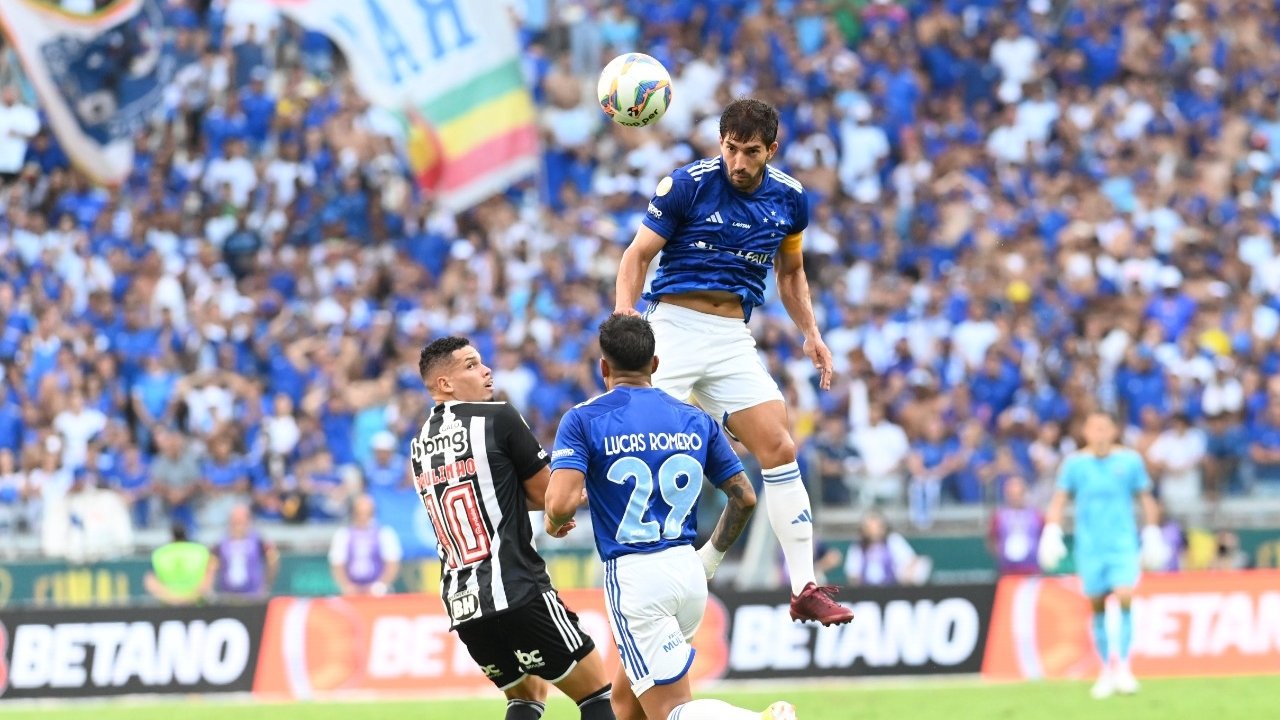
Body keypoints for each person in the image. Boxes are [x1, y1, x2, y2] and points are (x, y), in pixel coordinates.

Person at [614, 97, 852, 626]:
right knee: (639, 443)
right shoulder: (688, 185)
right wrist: (625, 318)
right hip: (672, 327)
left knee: (779, 444)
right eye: (730, 149)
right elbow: (636, 256)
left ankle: (804, 587)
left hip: (730, 336)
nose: (738, 162)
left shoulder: (790, 199)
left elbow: (790, 275)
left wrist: (810, 333)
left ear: (771, 149)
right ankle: (630, 570)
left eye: (749, 152)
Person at [545, 314, 796, 720]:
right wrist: (710, 557)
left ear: (603, 367)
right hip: (688, 572)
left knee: (670, 711)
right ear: (656, 364)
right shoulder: (695, 418)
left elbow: (559, 504)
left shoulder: (584, 418)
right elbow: (745, 497)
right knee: (626, 705)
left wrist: (555, 525)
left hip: (636, 579)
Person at [413, 336, 615, 720]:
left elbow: (486, 491)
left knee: (527, 697)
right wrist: (561, 509)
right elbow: (548, 494)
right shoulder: (498, 417)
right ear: (445, 384)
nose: (487, 370)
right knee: (595, 694)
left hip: (463, 604)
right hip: (517, 588)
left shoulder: (419, 444)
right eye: (471, 365)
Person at [1038, 412, 1170, 699]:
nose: (1099, 434)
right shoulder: (1075, 464)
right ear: (1085, 431)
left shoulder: (1130, 461)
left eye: (1104, 428)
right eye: (1094, 428)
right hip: (1089, 547)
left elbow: (1146, 498)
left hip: (1122, 545)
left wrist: (1151, 532)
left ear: (1114, 431)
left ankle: (1123, 666)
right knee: (1097, 606)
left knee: (1124, 596)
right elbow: (1059, 499)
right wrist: (1051, 530)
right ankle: (1105, 670)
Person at [202, 503, 279, 601]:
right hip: (228, 597)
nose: (238, 524)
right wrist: (207, 587)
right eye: (235, 520)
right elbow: (212, 565)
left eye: (241, 520)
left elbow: (272, 558)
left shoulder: (258, 539)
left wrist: (266, 584)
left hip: (253, 596)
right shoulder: (221, 541)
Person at [328, 493, 402, 596]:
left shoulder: (385, 533)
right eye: (360, 513)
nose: (363, 517)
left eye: (367, 513)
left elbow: (392, 564)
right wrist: (346, 586)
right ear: (353, 512)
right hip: (352, 591)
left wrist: (380, 585)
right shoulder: (343, 534)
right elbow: (337, 564)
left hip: (379, 592)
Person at [987, 475, 1045, 576]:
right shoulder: (999, 516)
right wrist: (1001, 555)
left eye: (1018, 494)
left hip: (1032, 570)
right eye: (1012, 494)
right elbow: (992, 539)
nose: (1015, 498)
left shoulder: (1036, 515)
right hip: (1007, 572)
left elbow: (1044, 537)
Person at [144, 523, 211, 605]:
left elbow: (150, 582)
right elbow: (208, 578)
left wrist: (172, 598)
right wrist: (190, 597)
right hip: (196, 606)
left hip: (168, 608)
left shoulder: (160, 553)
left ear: (172, 536)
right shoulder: (201, 551)